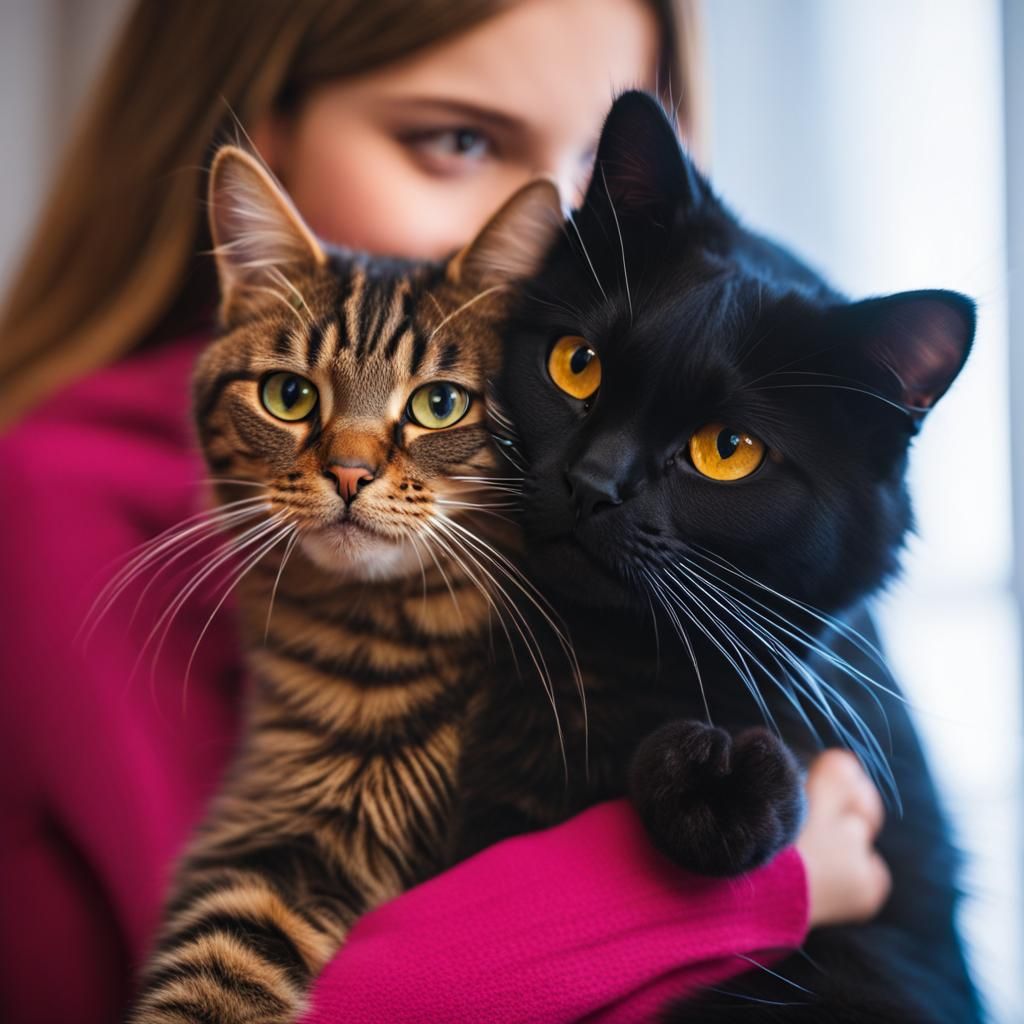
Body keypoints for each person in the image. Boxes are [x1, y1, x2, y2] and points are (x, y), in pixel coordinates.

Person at [0, 3, 888, 1022]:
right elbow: (293, 972)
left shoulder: (539, 465)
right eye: (457, 140)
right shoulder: (54, 504)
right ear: (263, 128)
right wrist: (741, 892)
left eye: (595, 163)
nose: (556, 231)